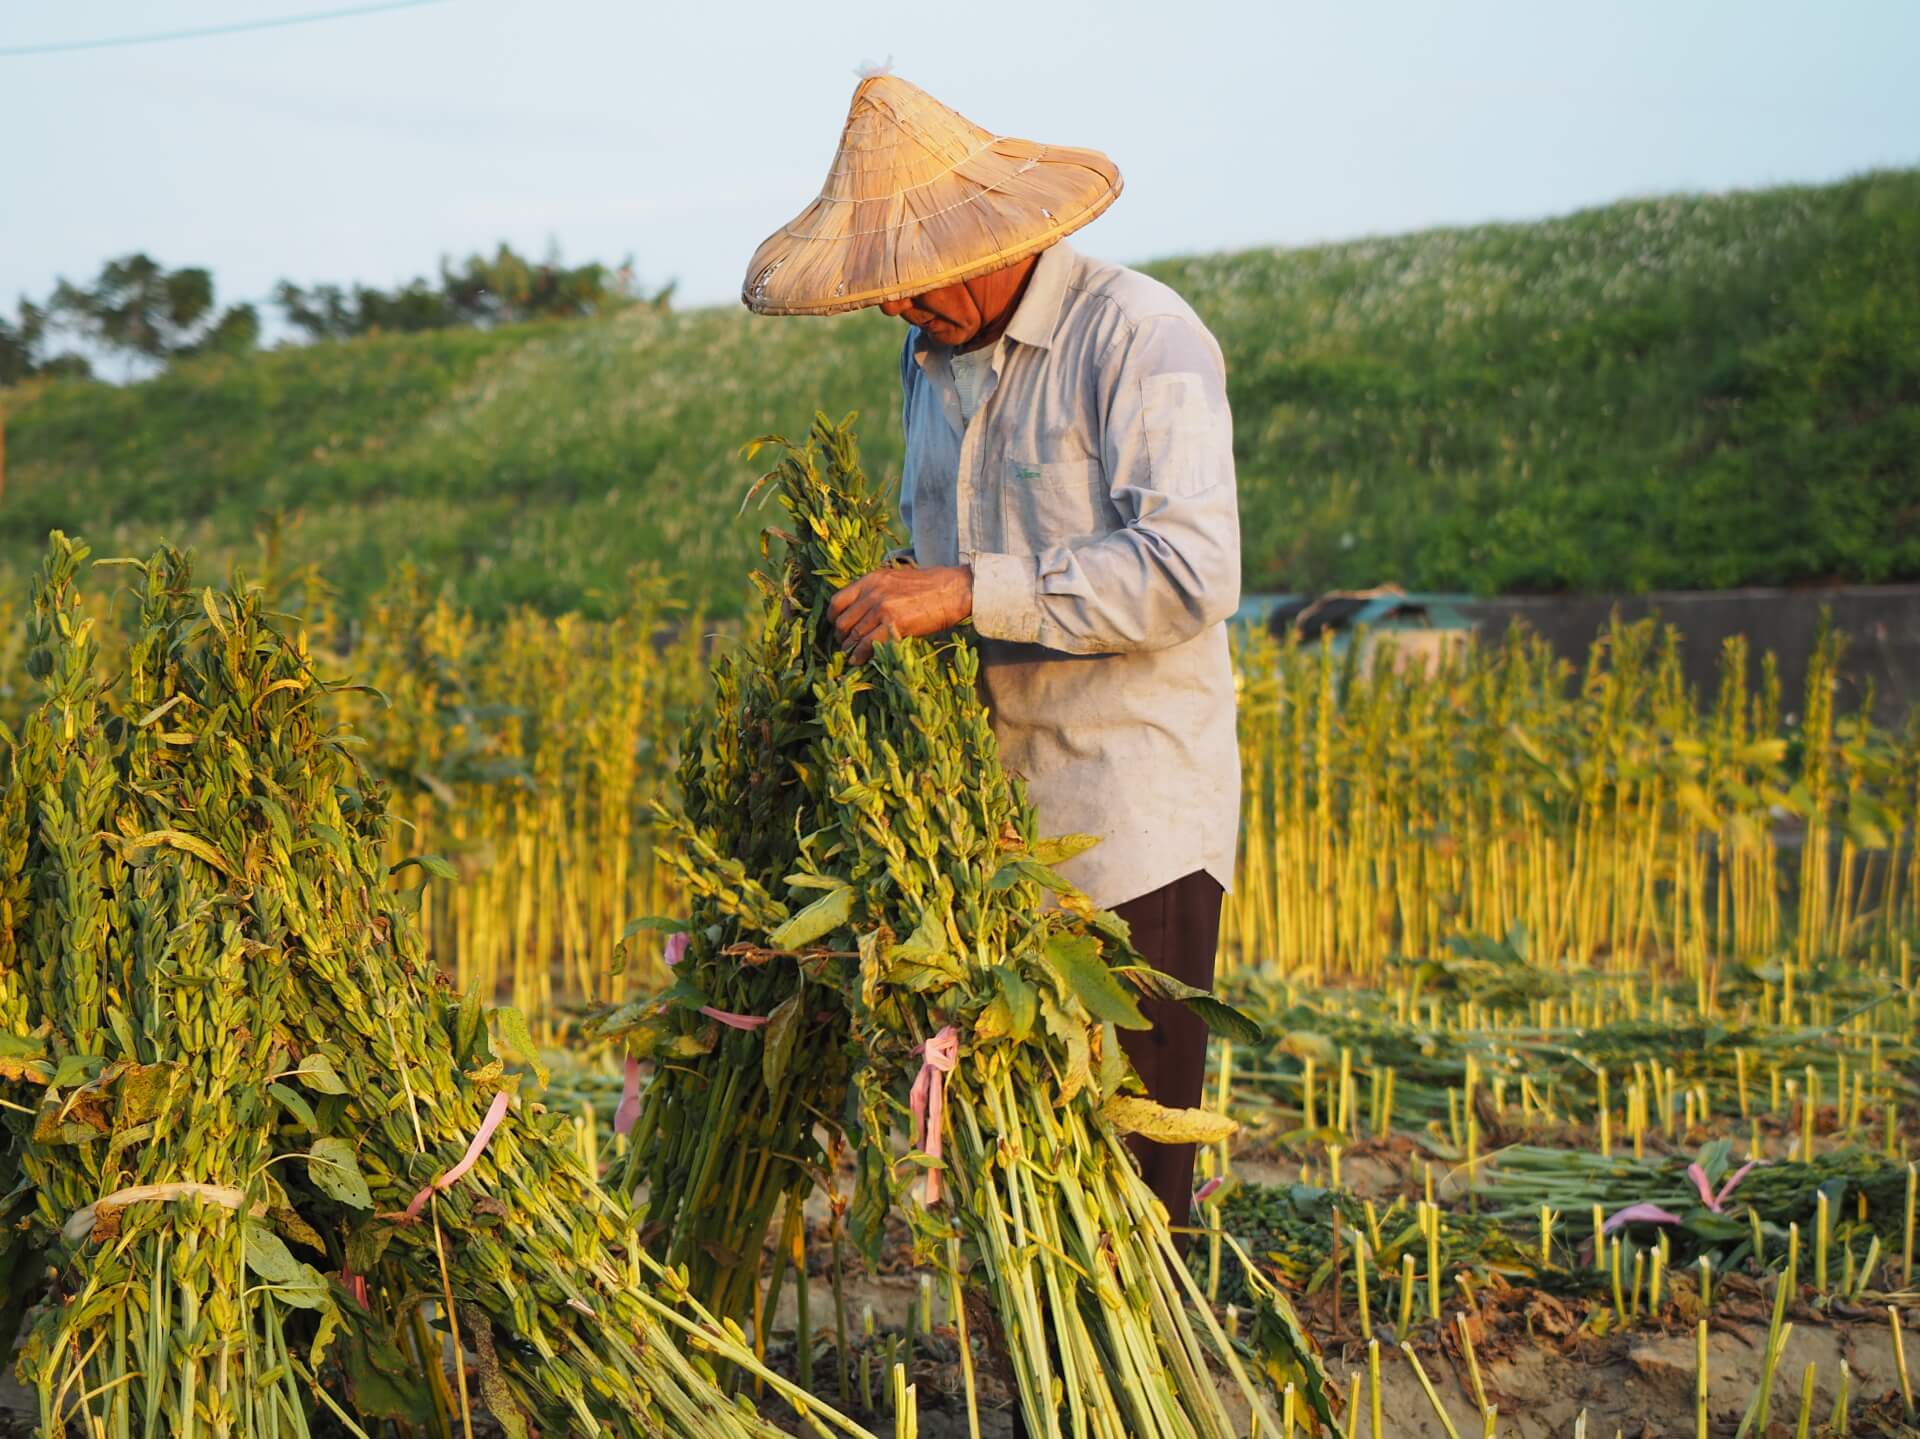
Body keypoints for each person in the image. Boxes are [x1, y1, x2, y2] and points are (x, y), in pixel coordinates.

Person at [741, 73, 1240, 1244]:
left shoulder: (1138, 335)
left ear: (982, 242)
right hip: (983, 842)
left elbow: (1189, 568)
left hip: (1127, 835)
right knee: (1012, 1177)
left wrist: (967, 590)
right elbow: (936, 570)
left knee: (1125, 1177)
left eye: (903, 284)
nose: (891, 313)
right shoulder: (929, 362)